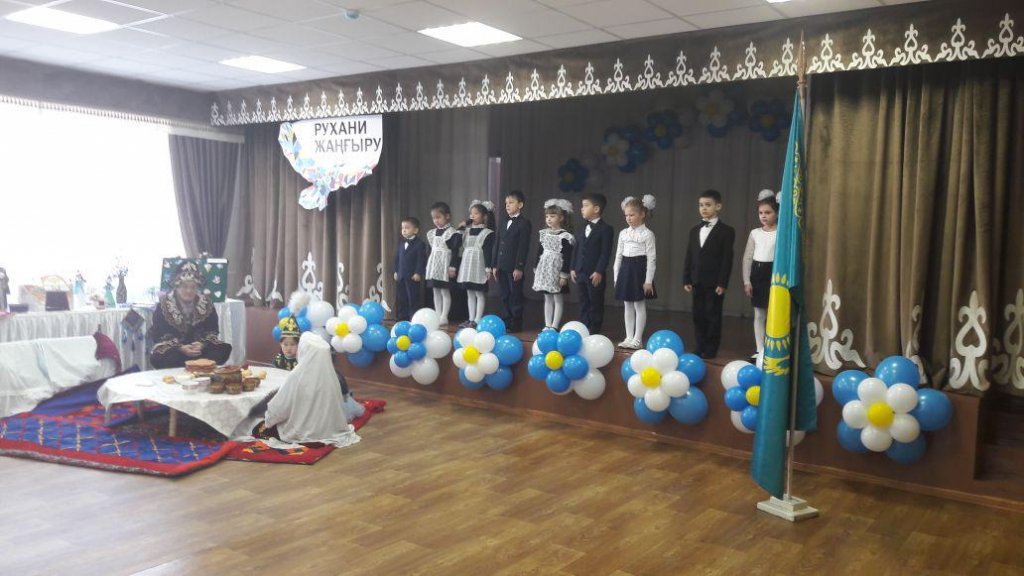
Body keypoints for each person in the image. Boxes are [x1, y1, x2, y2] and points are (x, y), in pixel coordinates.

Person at [251, 332, 361, 448]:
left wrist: (268, 420)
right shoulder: (332, 375)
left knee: (257, 429)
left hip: (302, 431)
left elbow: (281, 407)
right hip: (330, 428)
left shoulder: (297, 375)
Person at [684, 189, 736, 359]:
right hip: (697, 279)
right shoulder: (694, 230)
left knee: (712, 315)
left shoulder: (726, 231)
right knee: (698, 315)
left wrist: (723, 282)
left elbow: (727, 259)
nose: (704, 208)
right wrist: (686, 278)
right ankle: (699, 346)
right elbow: (690, 255)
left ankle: (711, 348)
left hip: (714, 282)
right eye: (701, 205)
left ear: (718, 206)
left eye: (708, 205)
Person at [150, 261, 231, 368]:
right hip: (176, 351)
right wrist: (180, 348)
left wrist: (202, 344)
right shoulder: (163, 305)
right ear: (176, 287)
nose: (189, 291)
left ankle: (202, 368)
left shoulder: (206, 304)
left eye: (193, 287)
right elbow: (158, 335)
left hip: (199, 351)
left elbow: (212, 331)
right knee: (159, 356)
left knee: (224, 349)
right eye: (184, 287)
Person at [613, 195, 657, 349]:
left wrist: (648, 280)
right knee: (627, 305)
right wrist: (616, 277)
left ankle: (638, 339)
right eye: (626, 215)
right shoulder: (623, 233)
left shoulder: (648, 234)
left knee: (639, 304)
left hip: (639, 271)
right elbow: (618, 256)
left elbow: (651, 259)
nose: (628, 218)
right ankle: (628, 336)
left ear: (642, 214)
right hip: (625, 270)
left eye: (632, 215)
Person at [743, 190, 779, 358]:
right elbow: (747, 257)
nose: (763, 216)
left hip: (774, 274)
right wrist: (747, 281)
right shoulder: (755, 233)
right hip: (758, 274)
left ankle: (774, 350)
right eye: (761, 213)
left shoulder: (781, 233)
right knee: (759, 314)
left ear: (776, 213)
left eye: (768, 212)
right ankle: (760, 350)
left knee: (774, 313)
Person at [571, 192, 614, 334]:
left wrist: (599, 271)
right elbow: (576, 249)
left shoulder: (606, 229)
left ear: (596, 209)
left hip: (594, 273)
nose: (582, 209)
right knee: (583, 301)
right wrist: (572, 267)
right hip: (580, 271)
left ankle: (595, 329)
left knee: (595, 302)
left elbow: (605, 253)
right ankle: (584, 327)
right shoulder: (581, 228)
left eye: (585, 206)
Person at [532, 199, 575, 330]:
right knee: (547, 298)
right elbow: (539, 252)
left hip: (557, 270)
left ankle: (555, 326)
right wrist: (536, 268)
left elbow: (567, 257)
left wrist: (564, 275)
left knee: (557, 298)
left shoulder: (566, 236)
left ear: (561, 218)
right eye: (547, 216)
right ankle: (547, 324)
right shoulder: (544, 233)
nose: (549, 219)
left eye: (552, 216)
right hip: (545, 269)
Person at [492, 190, 531, 332]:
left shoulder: (524, 223)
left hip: (513, 266)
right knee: (504, 295)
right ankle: (506, 321)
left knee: (515, 295)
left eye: (511, 202)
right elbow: (497, 243)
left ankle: (516, 323)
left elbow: (523, 246)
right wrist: (494, 265)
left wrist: (519, 267)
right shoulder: (503, 221)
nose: (507, 205)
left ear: (520, 205)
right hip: (501, 265)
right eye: (506, 203)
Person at [456, 200, 495, 328]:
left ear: (484, 216)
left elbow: (488, 252)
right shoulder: (466, 231)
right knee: (470, 292)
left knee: (479, 292)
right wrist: (460, 229)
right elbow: (456, 244)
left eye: (476, 213)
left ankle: (478, 319)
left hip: (479, 264)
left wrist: (488, 269)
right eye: (471, 213)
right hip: (467, 264)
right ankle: (471, 318)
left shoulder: (487, 232)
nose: (472, 216)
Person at [424, 202, 462, 327]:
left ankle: (444, 316)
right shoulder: (432, 233)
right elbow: (431, 251)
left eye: (438, 217)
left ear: (447, 216)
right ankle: (437, 314)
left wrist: (452, 267)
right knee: (435, 291)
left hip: (445, 265)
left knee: (445, 291)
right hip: (434, 266)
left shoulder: (452, 233)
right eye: (434, 218)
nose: (436, 220)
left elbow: (455, 252)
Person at [393, 216, 427, 322]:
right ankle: (402, 317)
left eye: (407, 228)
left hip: (412, 276)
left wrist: (418, 272)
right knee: (401, 297)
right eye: (402, 228)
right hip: (401, 275)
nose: (404, 230)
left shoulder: (420, 244)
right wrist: (396, 271)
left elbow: (421, 260)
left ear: (415, 230)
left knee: (413, 298)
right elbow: (397, 258)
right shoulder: (401, 243)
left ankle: (413, 318)